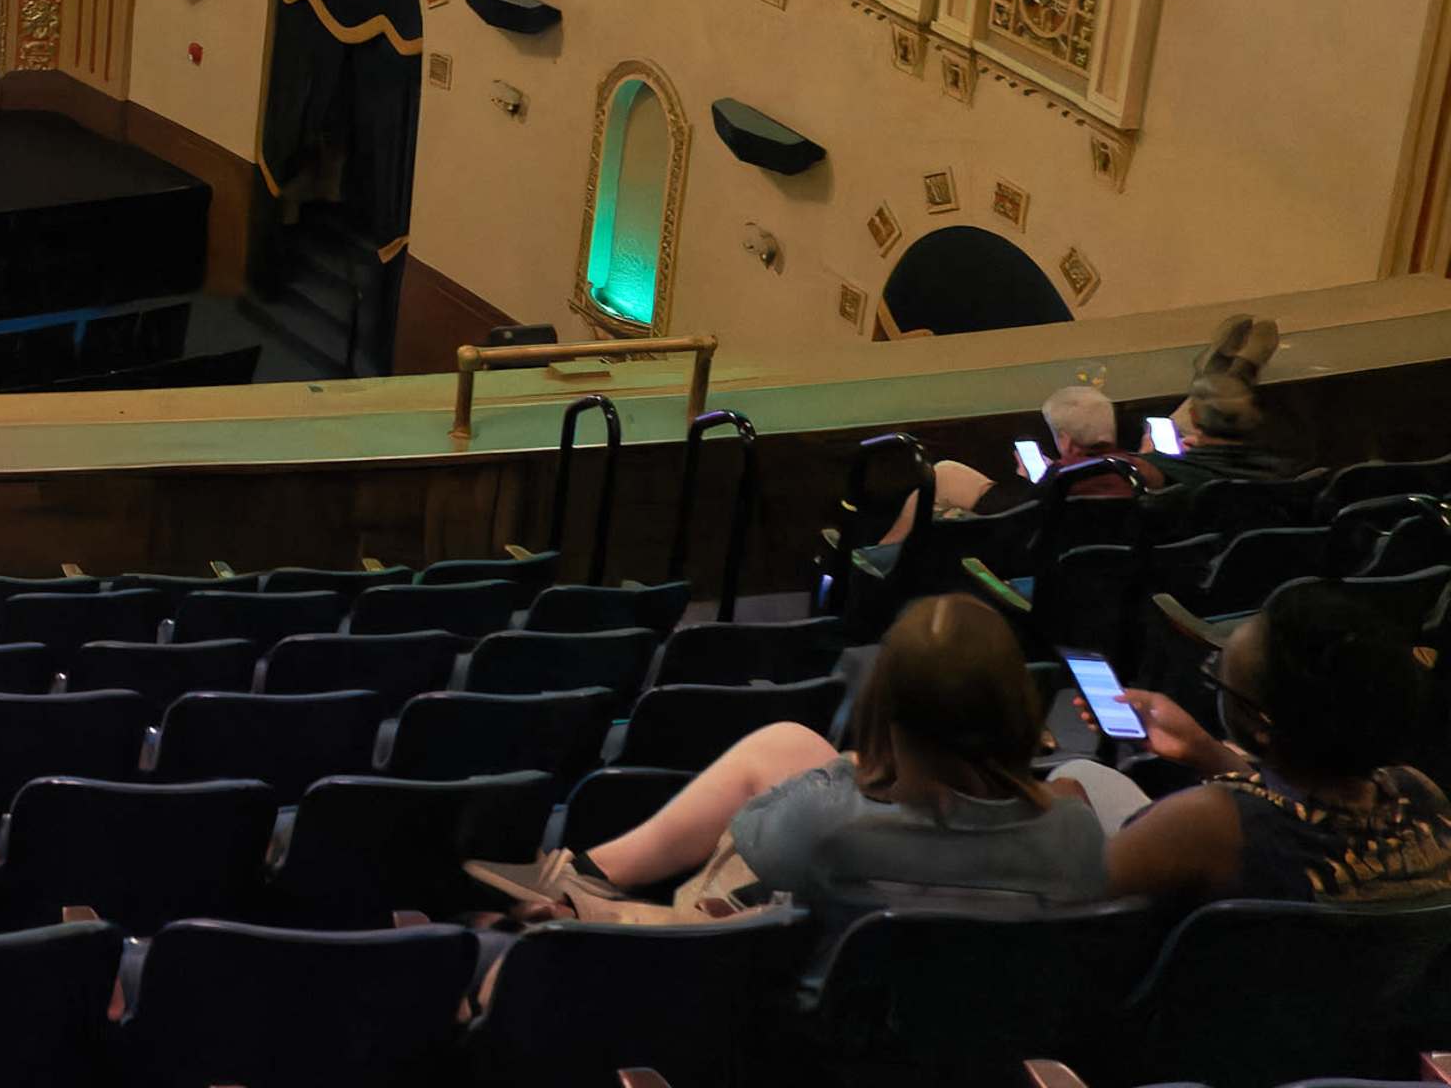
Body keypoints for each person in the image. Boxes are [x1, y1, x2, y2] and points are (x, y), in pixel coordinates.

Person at [480, 594, 1106, 928]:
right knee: (788, 742)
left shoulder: (827, 821)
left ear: (886, 707)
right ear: (1019, 706)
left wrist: (858, 765)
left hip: (802, 1030)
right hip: (970, 1058)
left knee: (774, 783)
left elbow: (751, 834)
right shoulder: (1077, 834)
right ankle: (584, 876)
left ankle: (581, 894)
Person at [1065, 582, 1451, 906]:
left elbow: (1071, 902)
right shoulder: (1421, 795)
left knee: (1077, 776)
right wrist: (1205, 749)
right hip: (1359, 992)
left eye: (1218, 674)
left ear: (1261, 722)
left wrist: (1063, 814)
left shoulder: (1205, 823)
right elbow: (1302, 811)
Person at [862, 382, 1140, 564]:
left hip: (1012, 548)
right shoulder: (1135, 471)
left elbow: (1020, 522)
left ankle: (875, 561)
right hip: (1068, 546)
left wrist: (1025, 480)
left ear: (1065, 441)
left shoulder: (1063, 477)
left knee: (937, 494)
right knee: (946, 473)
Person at [1146, 316, 1295, 484]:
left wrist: (1146, 459)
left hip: (1194, 479)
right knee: (1220, 400)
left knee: (1200, 406)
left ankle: (1223, 374)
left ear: (1194, 418)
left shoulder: (1165, 467)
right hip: (1247, 472)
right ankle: (1237, 374)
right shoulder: (1281, 471)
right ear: (1253, 419)